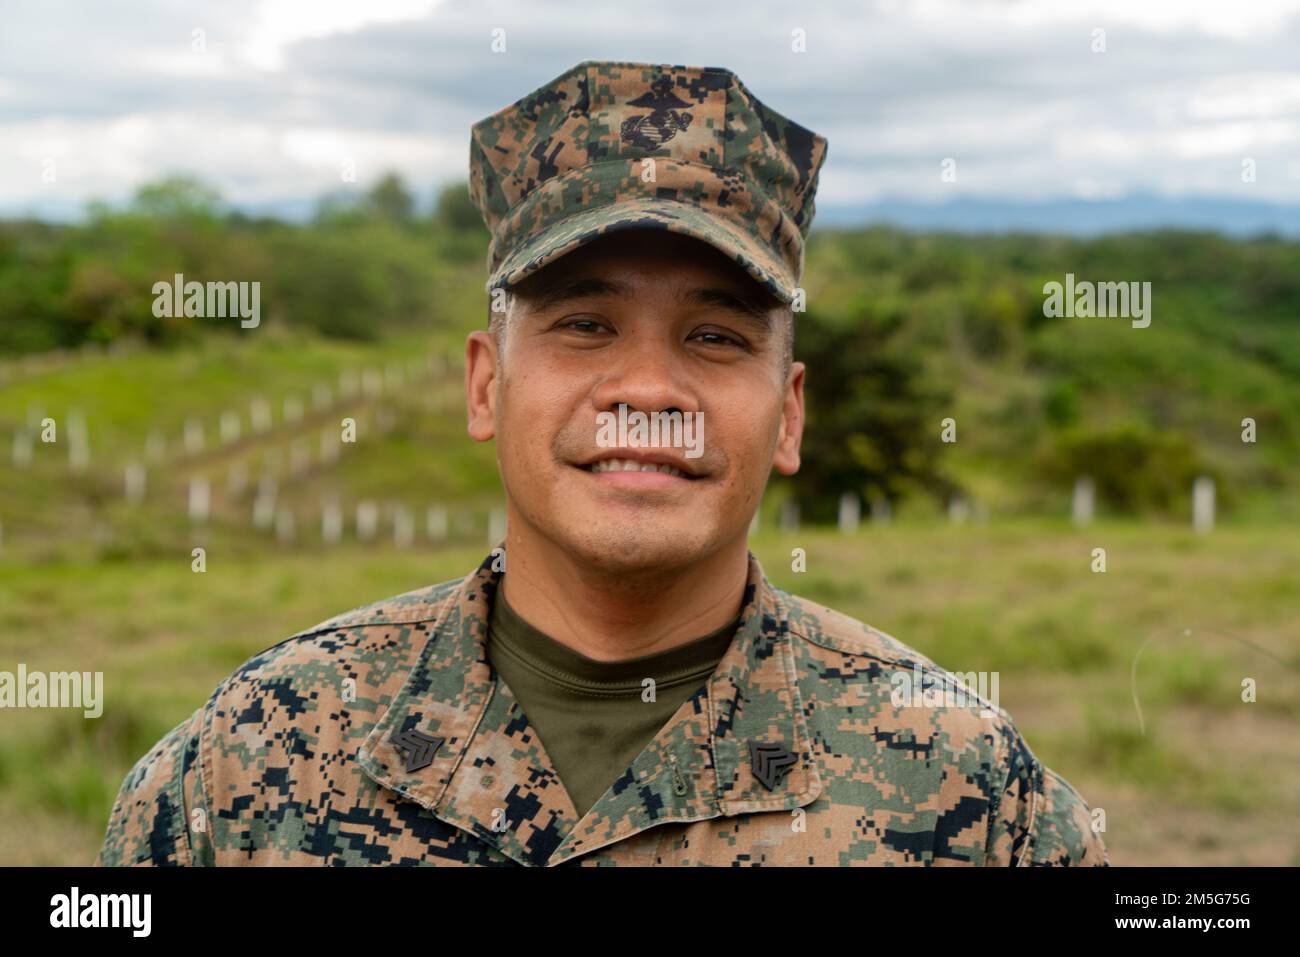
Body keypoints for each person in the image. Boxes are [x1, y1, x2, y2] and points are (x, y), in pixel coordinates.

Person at [97, 60, 1107, 866]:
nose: (649, 391)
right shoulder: (255, 755)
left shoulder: (965, 791)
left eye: (715, 337)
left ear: (788, 415)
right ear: (485, 386)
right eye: (585, 323)